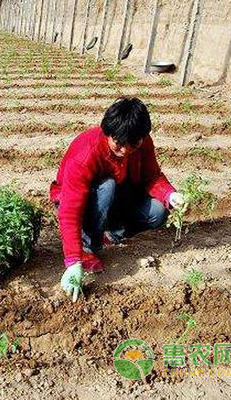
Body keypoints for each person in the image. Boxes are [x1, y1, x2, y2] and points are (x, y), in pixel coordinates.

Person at [49, 97, 186, 302]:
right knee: (107, 186)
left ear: (142, 137)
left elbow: (152, 176)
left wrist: (169, 194)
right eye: (118, 144)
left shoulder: (143, 143)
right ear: (108, 132)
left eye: (132, 145)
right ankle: (89, 247)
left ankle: (112, 234)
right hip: (84, 199)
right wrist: (73, 261)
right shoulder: (86, 153)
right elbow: (70, 211)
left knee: (158, 211)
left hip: (118, 195)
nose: (124, 151)